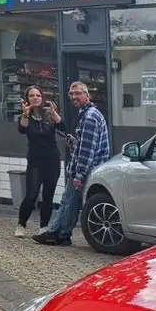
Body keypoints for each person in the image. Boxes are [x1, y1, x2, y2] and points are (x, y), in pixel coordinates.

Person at [36, 80, 109, 246]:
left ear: (86, 95)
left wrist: (79, 174)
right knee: (70, 201)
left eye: (78, 93)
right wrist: (75, 142)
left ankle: (56, 233)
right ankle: (61, 234)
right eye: (71, 94)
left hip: (84, 169)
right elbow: (87, 144)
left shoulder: (89, 117)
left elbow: (87, 151)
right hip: (88, 168)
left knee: (68, 201)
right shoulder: (89, 114)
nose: (74, 97)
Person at [15, 85, 62, 237]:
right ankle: (21, 224)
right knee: (31, 194)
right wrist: (25, 114)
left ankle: (44, 226)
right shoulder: (26, 116)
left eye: (38, 96)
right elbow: (22, 129)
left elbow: (63, 126)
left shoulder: (48, 114)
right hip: (35, 162)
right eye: (32, 96)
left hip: (52, 161)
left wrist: (55, 114)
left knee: (48, 195)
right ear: (27, 99)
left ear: (42, 98)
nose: (35, 98)